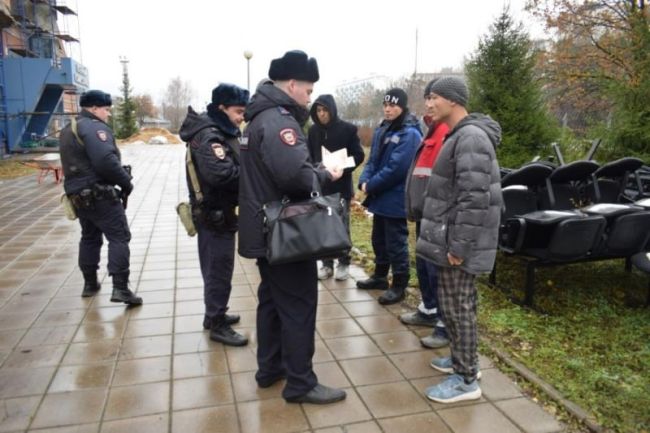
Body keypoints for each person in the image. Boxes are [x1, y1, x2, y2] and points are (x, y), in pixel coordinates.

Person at [238, 50, 346, 404]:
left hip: (266, 230)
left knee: (271, 301)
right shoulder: (280, 122)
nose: (310, 97)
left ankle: (269, 369)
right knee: (298, 305)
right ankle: (301, 383)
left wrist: (307, 167)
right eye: (309, 90)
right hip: (285, 233)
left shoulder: (259, 117)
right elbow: (295, 177)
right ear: (293, 84)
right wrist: (323, 173)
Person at [415, 76, 503, 403]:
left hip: (458, 245)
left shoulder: (471, 138)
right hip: (451, 239)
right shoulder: (460, 135)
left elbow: (474, 197)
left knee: (457, 308)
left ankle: (466, 380)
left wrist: (458, 246)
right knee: (456, 306)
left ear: (453, 100)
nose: (428, 103)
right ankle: (462, 361)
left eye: (434, 97)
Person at [179, 83, 249, 346]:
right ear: (222, 108)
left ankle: (214, 313)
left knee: (217, 267)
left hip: (219, 213)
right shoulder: (209, 136)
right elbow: (221, 174)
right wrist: (254, 177)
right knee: (218, 269)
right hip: (213, 214)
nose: (241, 117)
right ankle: (217, 324)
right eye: (238, 111)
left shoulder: (219, 130)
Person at [59, 90, 141, 305]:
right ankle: (120, 288)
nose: (108, 114)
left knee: (89, 237)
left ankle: (89, 283)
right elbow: (105, 161)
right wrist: (126, 181)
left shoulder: (69, 129)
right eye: (106, 109)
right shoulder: (94, 128)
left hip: (78, 196)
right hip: (100, 195)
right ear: (94, 108)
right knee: (119, 237)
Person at [356, 88, 421, 305]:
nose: (388, 109)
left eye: (393, 105)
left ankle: (400, 285)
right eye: (385, 105)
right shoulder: (382, 129)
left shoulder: (409, 133)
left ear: (402, 107)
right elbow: (372, 160)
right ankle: (380, 277)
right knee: (379, 240)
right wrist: (364, 179)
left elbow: (397, 169)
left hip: (395, 197)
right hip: (380, 197)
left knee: (396, 243)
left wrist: (371, 185)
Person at [400, 80, 450, 349]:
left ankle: (444, 323)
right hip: (425, 212)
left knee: (437, 271)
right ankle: (429, 309)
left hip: (438, 215)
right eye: (427, 97)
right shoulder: (432, 130)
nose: (429, 103)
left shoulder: (448, 132)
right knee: (423, 265)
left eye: (435, 97)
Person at [307, 94, 365, 281]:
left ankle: (344, 262)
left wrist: (343, 167)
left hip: (340, 187)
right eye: (318, 111)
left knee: (341, 227)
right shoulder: (313, 131)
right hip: (321, 187)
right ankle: (326, 264)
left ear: (332, 110)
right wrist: (316, 167)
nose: (322, 114)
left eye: (325, 110)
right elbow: (308, 155)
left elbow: (358, 155)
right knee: (323, 227)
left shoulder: (347, 129)